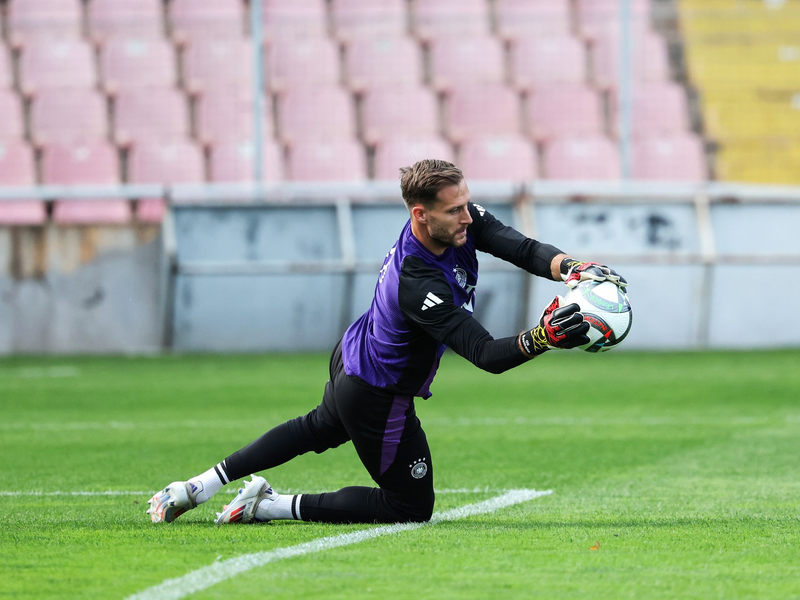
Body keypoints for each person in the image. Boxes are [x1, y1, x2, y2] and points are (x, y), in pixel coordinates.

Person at [147, 159, 626, 526]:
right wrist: (543, 337)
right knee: (411, 505)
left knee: (314, 429)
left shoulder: (453, 222)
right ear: (421, 214)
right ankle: (272, 508)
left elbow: (518, 246)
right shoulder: (418, 281)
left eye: (466, 204)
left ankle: (199, 485)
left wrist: (570, 268)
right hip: (378, 392)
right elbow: (484, 355)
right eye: (455, 210)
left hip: (356, 355)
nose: (468, 217)